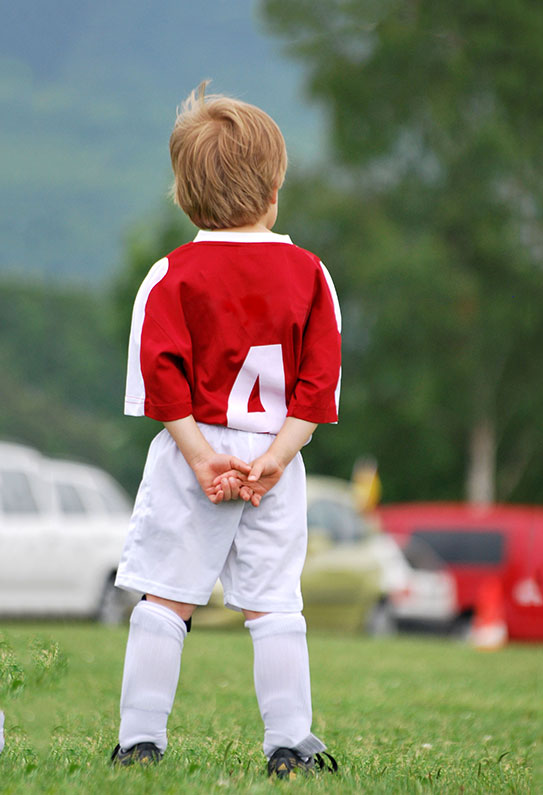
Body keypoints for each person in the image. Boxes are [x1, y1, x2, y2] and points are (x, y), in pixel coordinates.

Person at [110, 81, 341, 779]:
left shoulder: (171, 274)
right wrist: (273, 456)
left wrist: (205, 456)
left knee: (166, 595)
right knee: (274, 601)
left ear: (184, 196)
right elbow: (316, 386)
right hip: (278, 454)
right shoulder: (309, 274)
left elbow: (162, 383)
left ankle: (140, 738)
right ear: (275, 190)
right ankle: (290, 741)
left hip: (193, 452)